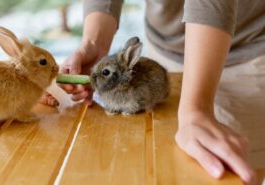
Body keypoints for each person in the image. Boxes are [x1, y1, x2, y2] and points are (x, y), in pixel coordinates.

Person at [57, 1, 265, 184]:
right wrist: (94, 44)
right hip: (166, 45)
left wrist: (196, 110)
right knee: (167, 167)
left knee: (227, 168)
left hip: (241, 51)